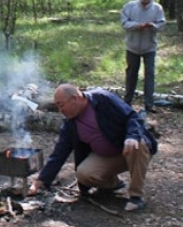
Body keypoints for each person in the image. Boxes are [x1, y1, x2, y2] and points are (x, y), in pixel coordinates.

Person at [28, 84, 157, 211]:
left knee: (138, 144)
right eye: (57, 106)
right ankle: (113, 184)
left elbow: (132, 116)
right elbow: (59, 153)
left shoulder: (102, 98)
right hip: (108, 156)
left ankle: (136, 197)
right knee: (84, 174)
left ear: (75, 98)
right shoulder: (70, 123)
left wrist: (132, 136)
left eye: (61, 105)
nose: (60, 110)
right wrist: (41, 180)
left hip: (130, 148)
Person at [121, 0, 165, 112]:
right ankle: (127, 102)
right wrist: (136, 26)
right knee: (131, 74)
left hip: (149, 47)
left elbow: (162, 24)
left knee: (149, 75)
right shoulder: (130, 6)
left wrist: (153, 26)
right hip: (132, 47)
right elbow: (124, 23)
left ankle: (149, 104)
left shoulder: (157, 8)